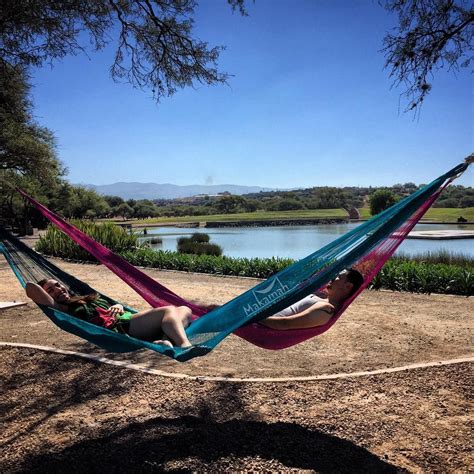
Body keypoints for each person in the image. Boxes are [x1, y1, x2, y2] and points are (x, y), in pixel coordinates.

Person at [25, 279, 193, 348]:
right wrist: (48, 295)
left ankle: (165, 339)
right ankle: (184, 345)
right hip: (123, 328)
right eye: (51, 290)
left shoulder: (82, 296)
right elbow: (30, 288)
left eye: (58, 285)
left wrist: (119, 305)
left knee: (185, 310)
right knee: (169, 310)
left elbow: (111, 306)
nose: (58, 290)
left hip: (128, 317)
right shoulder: (62, 308)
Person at [260, 268, 364, 330]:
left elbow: (285, 324)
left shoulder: (326, 311)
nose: (332, 278)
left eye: (338, 277)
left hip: (260, 324)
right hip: (260, 313)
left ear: (348, 286)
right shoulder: (322, 295)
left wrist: (254, 319)